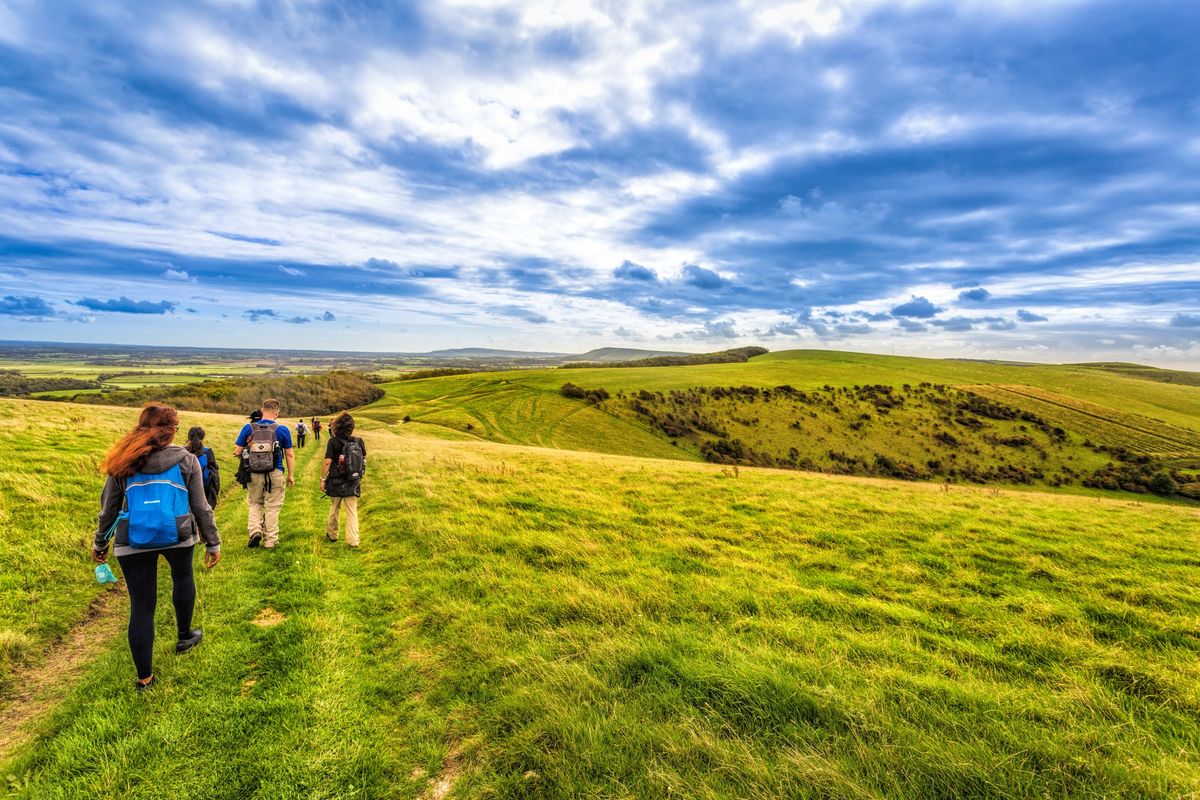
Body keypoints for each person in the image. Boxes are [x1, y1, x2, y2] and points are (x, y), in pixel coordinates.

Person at [93, 404, 220, 690]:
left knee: (141, 605)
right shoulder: (187, 460)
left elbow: (108, 510)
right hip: (179, 533)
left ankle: (145, 678)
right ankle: (185, 636)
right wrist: (213, 543)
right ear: (173, 430)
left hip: (132, 538)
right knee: (183, 577)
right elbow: (201, 507)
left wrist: (100, 542)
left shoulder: (124, 461)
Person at [234, 399, 295, 549]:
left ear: (262, 410)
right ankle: (270, 541)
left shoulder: (249, 428)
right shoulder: (282, 429)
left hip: (253, 473)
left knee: (255, 503)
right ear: (277, 412)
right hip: (275, 472)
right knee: (272, 506)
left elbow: (237, 452)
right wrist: (290, 475)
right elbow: (289, 454)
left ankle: (255, 531)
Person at [321, 413, 366, 548]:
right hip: (353, 480)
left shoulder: (333, 441)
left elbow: (327, 462)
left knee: (335, 508)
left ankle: (333, 534)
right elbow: (363, 459)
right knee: (351, 511)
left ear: (337, 426)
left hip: (335, 480)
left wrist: (322, 479)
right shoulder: (358, 441)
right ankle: (353, 540)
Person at [185, 426, 220, 509]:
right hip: (204, 489)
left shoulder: (182, 451)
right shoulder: (207, 452)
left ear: (189, 437)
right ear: (203, 437)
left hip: (186, 488)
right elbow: (214, 474)